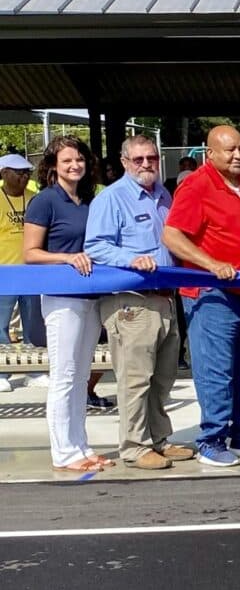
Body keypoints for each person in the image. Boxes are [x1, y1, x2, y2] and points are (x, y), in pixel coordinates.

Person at [162, 125, 240, 467]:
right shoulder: (196, 185)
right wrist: (211, 264)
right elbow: (172, 235)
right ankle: (211, 439)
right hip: (212, 293)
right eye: (229, 150)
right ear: (209, 152)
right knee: (216, 371)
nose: (238, 155)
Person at [84, 135, 195, 470]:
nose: (146, 164)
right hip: (130, 303)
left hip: (164, 299)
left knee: (162, 378)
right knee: (135, 379)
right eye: (139, 160)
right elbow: (96, 246)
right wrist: (132, 258)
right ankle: (134, 447)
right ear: (124, 162)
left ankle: (158, 440)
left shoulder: (163, 194)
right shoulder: (111, 199)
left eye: (152, 158)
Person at [22, 136, 114, 473]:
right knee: (63, 376)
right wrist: (67, 258)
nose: (75, 165)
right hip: (62, 298)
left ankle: (81, 446)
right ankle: (63, 452)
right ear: (53, 166)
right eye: (67, 161)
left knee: (80, 377)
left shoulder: (91, 200)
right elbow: (30, 254)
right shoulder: (45, 201)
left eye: (79, 160)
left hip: (92, 297)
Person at [0, 152, 46, 392]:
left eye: (27, 173)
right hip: (3, 273)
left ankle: (35, 370)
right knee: (0, 325)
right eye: (19, 173)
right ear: (4, 173)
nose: (24, 177)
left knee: (33, 325)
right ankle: (2, 372)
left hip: (30, 273)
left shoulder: (34, 199)